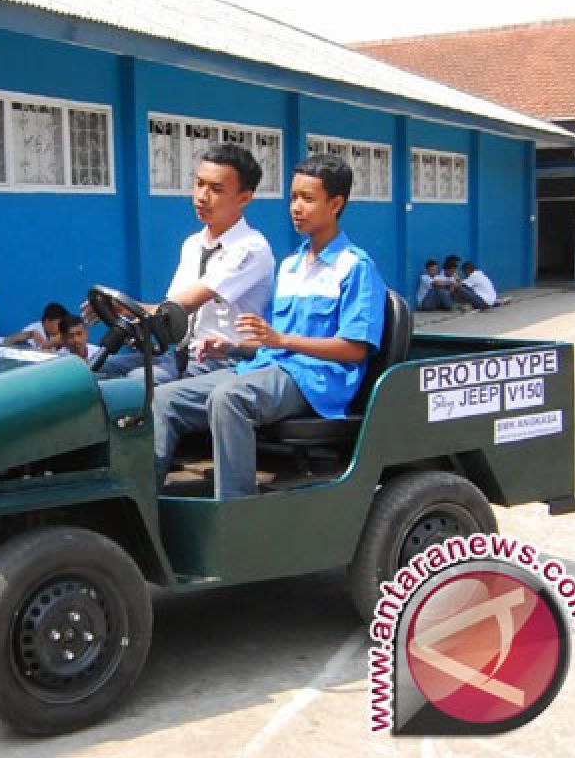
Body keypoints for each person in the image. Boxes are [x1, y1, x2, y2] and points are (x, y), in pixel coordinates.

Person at [153, 153, 386, 498]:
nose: (296, 207)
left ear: (335, 204)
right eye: (293, 197)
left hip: (317, 380)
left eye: (308, 199)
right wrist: (232, 346)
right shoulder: (291, 266)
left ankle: (236, 510)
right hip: (270, 366)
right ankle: (145, 506)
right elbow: (268, 342)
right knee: (163, 398)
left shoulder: (355, 267)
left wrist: (282, 340)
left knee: (230, 398)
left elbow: (354, 350)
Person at [94, 143, 276, 383]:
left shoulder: (251, 248)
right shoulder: (193, 244)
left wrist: (127, 307)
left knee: (138, 383)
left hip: (226, 361)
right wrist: (120, 308)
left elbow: (179, 308)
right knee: (94, 370)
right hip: (183, 356)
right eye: (199, 184)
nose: (202, 197)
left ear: (244, 198)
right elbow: (169, 310)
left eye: (216, 189)